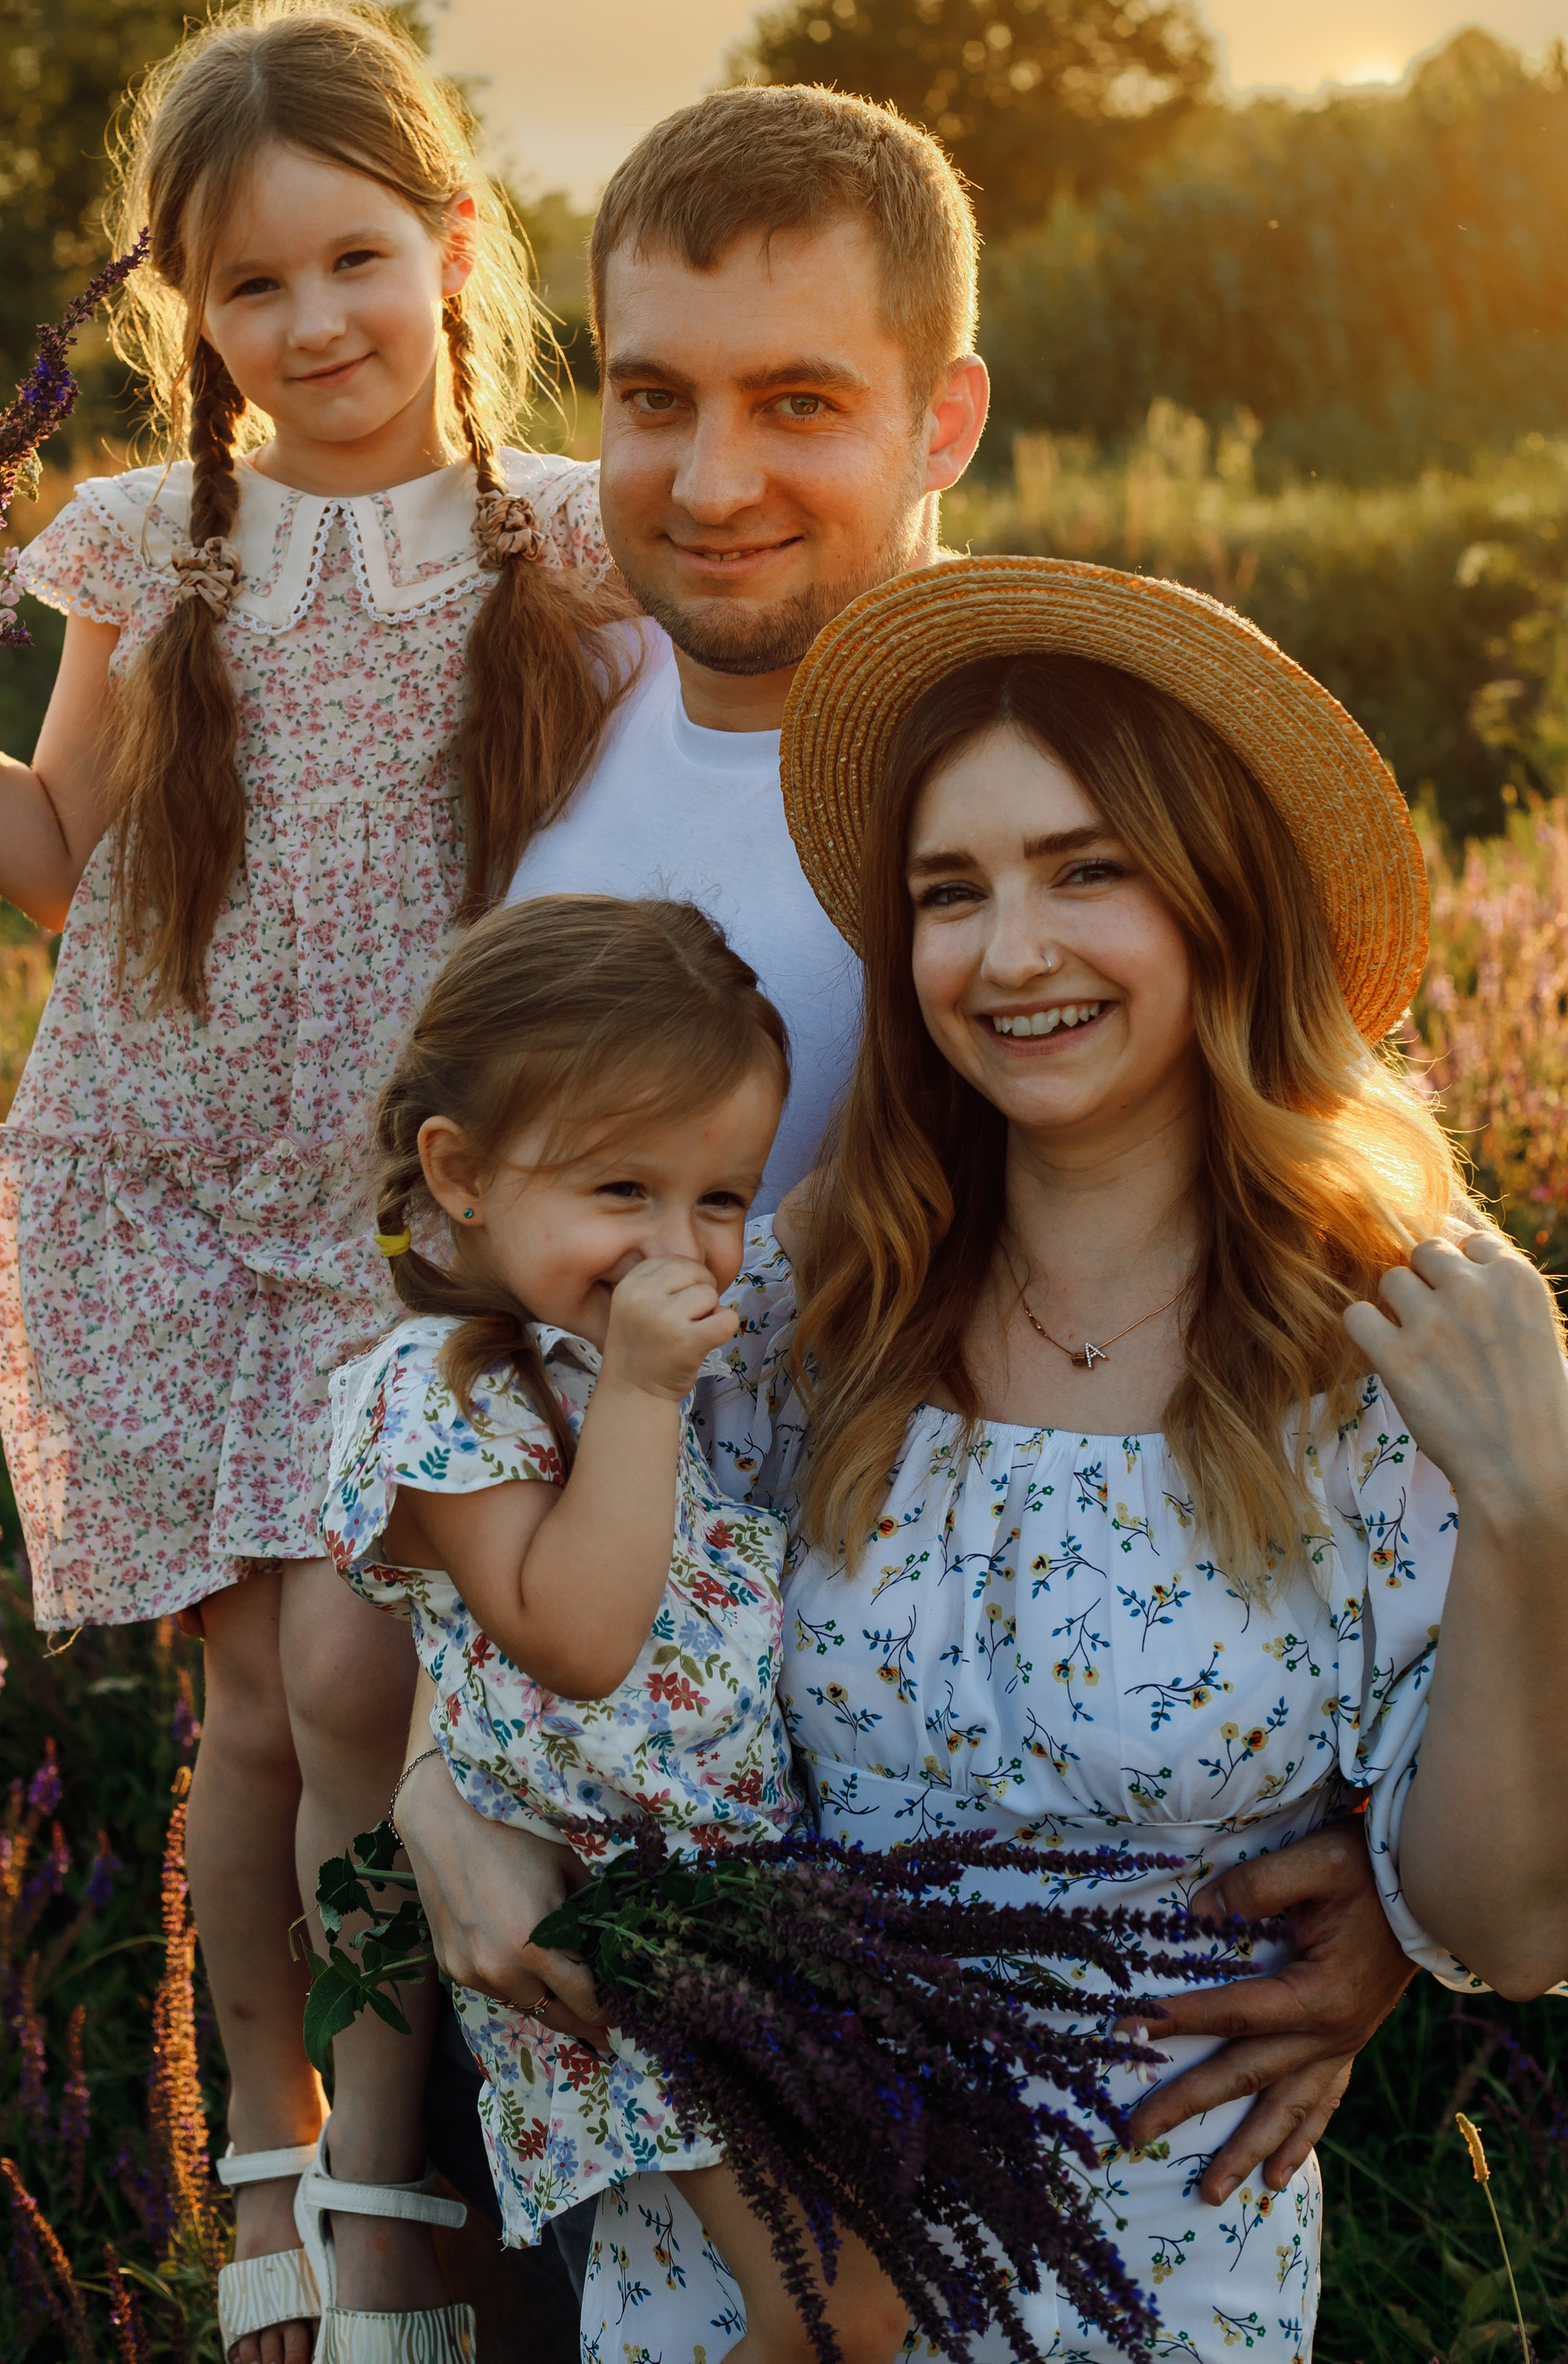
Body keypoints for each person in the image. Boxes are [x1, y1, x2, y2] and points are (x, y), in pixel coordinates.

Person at [0, 0, 637, 2364]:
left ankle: (391, 2177)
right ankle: (288, 2189)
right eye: (251, 288)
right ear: (190, 316)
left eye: (352, 259)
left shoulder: (573, 538)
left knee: (381, 1678)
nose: (312, 323)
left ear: (452, 243)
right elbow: (62, 859)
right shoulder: (155, 540)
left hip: (438, 1204)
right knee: (256, 1707)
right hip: (168, 1172)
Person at [483, 82, 1417, 2209]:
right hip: (578, 1843)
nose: (715, 482)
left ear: (946, 415)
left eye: (800, 399)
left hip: (941, 1900)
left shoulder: (1043, 763)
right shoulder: (537, 711)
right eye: (654, 397)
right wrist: (448, 1795)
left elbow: (1313, 1226)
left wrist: (1401, 1884)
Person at [583, 555, 1568, 2359]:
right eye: (948, 894)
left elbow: (1503, 1928)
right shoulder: (808, 1294)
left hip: (1147, 2270)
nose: (1007, 952)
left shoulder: (1381, 1340)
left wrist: (1527, 1516)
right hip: (752, 2258)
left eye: (1083, 870)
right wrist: (440, 1813)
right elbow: (549, 1647)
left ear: (1216, 903)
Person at [323, 894, 908, 2364]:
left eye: (718, 1198)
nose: (681, 1250)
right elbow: (574, 1638)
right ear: (456, 1174)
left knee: (850, 2293)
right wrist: (648, 1394)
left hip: (730, 1915)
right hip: (614, 1935)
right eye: (621, 1191)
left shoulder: (599, 1364)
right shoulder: (439, 1395)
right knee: (838, 2307)